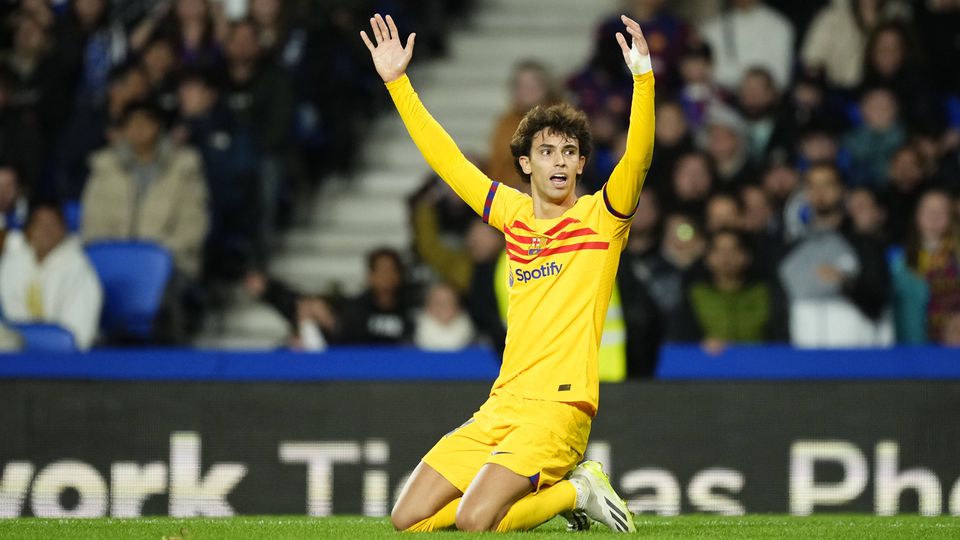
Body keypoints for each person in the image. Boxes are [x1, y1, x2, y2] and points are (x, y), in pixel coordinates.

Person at [360, 12, 652, 533]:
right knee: (408, 519)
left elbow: (640, 157)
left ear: (582, 164)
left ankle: (574, 489)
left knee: (476, 520)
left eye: (570, 152)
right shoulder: (513, 216)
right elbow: (449, 163)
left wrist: (643, 79)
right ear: (525, 164)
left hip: (560, 408)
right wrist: (398, 84)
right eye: (547, 152)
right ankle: (560, 493)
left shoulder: (602, 220)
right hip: (502, 404)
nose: (559, 162)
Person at [0, 202, 103, 349]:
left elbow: (78, 334)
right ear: (29, 231)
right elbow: (9, 320)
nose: (46, 231)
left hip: (62, 360)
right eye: (40, 225)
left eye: (52, 224)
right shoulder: (13, 263)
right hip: (16, 355)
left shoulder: (78, 266)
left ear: (64, 229)